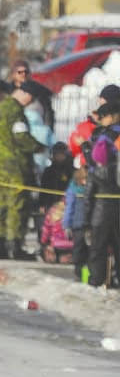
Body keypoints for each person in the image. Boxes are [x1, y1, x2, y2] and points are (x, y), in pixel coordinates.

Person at [0, 85, 40, 260]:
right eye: (31, 97)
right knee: (16, 207)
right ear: (24, 94)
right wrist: (38, 147)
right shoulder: (15, 110)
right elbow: (21, 136)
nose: (31, 102)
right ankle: (14, 247)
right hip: (13, 167)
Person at [80, 100, 120, 287]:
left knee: (98, 247)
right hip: (113, 200)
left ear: (112, 115)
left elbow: (95, 167)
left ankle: (96, 281)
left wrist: (86, 151)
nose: (100, 120)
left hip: (102, 205)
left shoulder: (105, 137)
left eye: (102, 116)